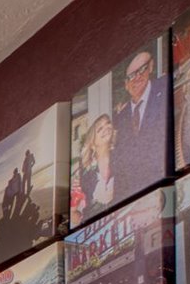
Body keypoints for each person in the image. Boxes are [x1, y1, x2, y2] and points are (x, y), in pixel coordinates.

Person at [110, 47, 170, 201]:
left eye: (141, 70)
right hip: (136, 195)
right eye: (131, 76)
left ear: (150, 68)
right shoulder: (120, 117)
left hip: (165, 184)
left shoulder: (165, 88)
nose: (136, 78)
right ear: (125, 84)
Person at [73, 113, 117, 224]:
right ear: (93, 142)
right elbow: (73, 211)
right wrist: (84, 223)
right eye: (100, 128)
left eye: (108, 124)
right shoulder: (84, 171)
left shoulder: (121, 157)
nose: (106, 128)